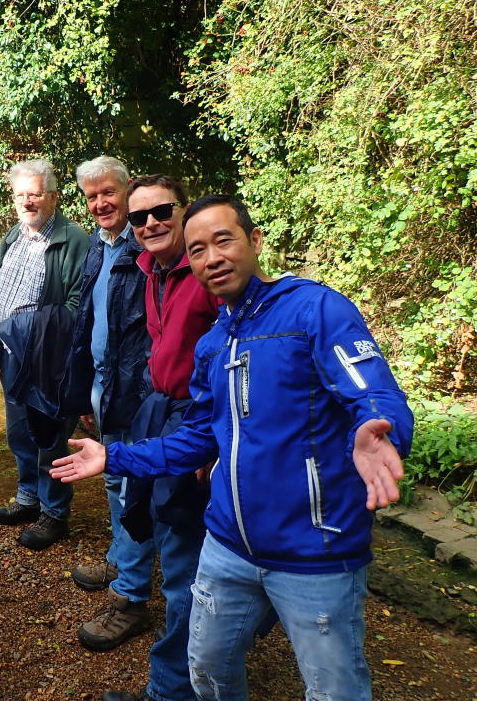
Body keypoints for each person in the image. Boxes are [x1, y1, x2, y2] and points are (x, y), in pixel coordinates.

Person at [52, 195, 413, 701]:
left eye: (224, 240)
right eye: (198, 249)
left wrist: (381, 429)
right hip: (227, 546)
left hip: (316, 550)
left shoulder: (314, 308)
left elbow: (373, 389)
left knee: (334, 690)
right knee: (208, 670)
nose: (212, 257)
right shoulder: (214, 343)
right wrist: (114, 456)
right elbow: (199, 437)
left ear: (254, 240)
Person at [98, 175, 220, 699]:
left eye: (161, 211)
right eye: (139, 217)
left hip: (196, 419)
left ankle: (174, 687)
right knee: (153, 519)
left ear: (183, 210)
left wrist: (215, 441)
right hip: (159, 409)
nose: (150, 223)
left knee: (183, 551)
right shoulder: (152, 270)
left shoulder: (208, 273)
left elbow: (236, 359)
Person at [57, 157, 156, 650]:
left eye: (108, 193)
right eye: (92, 196)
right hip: (105, 386)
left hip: (138, 392)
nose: (100, 204)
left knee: (133, 486)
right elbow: (89, 322)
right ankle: (121, 559)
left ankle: (131, 597)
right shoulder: (100, 243)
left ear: (127, 189)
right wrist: (85, 392)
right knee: (115, 479)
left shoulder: (147, 246)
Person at [0, 159, 90, 550]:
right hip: (12, 356)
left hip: (48, 360)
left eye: (35, 194)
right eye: (20, 195)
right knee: (20, 434)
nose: (27, 202)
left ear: (53, 197)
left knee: (50, 438)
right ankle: (29, 498)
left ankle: (55, 512)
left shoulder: (73, 240)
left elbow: (79, 303)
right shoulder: (14, 235)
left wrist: (34, 331)